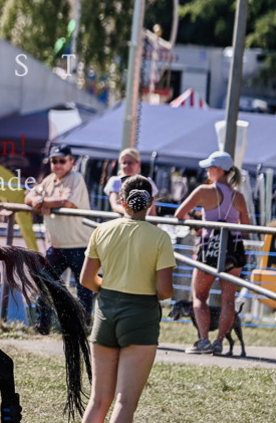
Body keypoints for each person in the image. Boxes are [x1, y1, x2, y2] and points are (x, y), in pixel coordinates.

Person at [79, 176, 175, 423]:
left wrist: (110, 289)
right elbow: (165, 290)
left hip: (106, 315)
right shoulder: (160, 237)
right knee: (125, 402)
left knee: (99, 400)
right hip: (141, 317)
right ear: (150, 203)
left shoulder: (102, 230)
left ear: (122, 201)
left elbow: (87, 280)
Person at [174, 150, 250, 355]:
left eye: (209, 167)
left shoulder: (203, 191)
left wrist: (199, 221)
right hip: (234, 249)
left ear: (218, 170)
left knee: (199, 295)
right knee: (228, 299)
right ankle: (219, 343)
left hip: (209, 248)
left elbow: (179, 214)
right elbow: (246, 228)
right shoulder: (239, 197)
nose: (206, 170)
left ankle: (204, 340)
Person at [24, 144, 94, 330]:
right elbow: (28, 197)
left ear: (72, 162)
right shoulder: (49, 180)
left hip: (79, 244)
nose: (57, 164)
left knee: (83, 289)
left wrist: (41, 203)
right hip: (56, 245)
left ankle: (83, 325)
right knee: (45, 282)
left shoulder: (76, 178)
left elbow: (67, 203)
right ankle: (42, 324)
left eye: (62, 161)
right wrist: (40, 202)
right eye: (54, 161)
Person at [105, 148, 157, 216]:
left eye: (130, 163)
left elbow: (152, 211)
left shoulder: (147, 182)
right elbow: (115, 205)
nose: (126, 166)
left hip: (143, 223)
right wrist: (133, 213)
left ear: (138, 164)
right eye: (124, 163)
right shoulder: (116, 181)